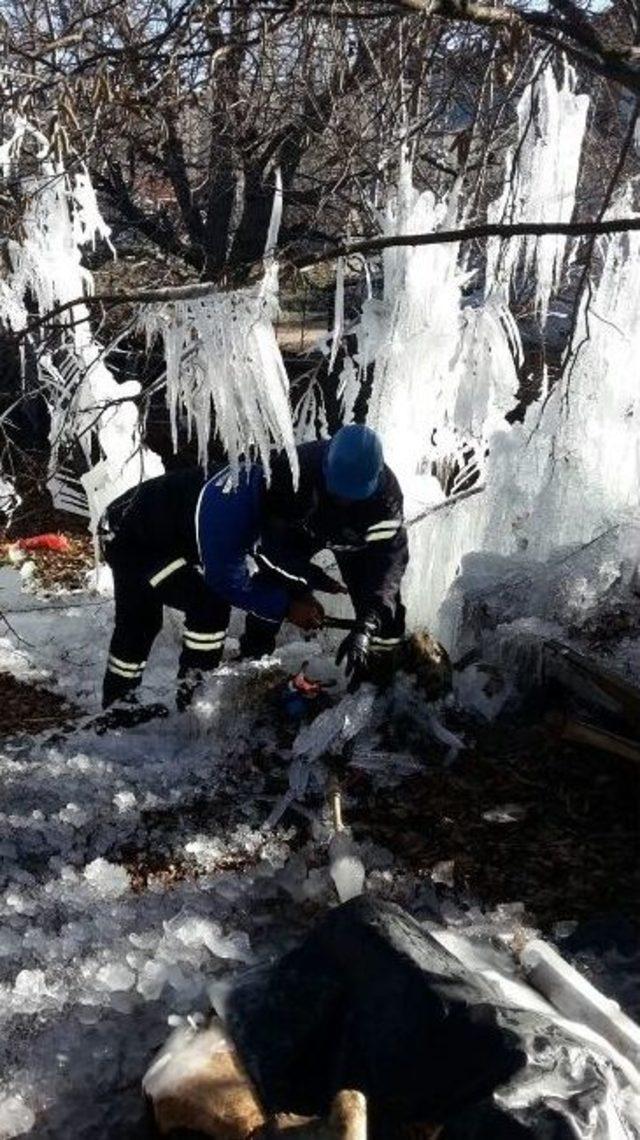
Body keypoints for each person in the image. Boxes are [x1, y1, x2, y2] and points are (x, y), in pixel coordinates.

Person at [99, 424, 408, 718]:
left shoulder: (273, 493)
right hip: (129, 537)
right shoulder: (232, 510)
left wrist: (362, 617)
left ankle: (188, 698)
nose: (343, 504)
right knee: (168, 612)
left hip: (164, 536)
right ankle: (152, 706)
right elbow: (229, 579)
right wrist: (290, 602)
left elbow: (384, 564)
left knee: (201, 607)